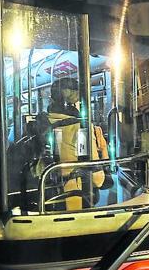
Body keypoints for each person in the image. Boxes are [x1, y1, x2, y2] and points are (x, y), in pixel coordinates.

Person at [47, 77, 110, 210]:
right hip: (75, 198)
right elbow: (97, 179)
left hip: (48, 194)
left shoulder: (44, 123)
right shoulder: (80, 127)